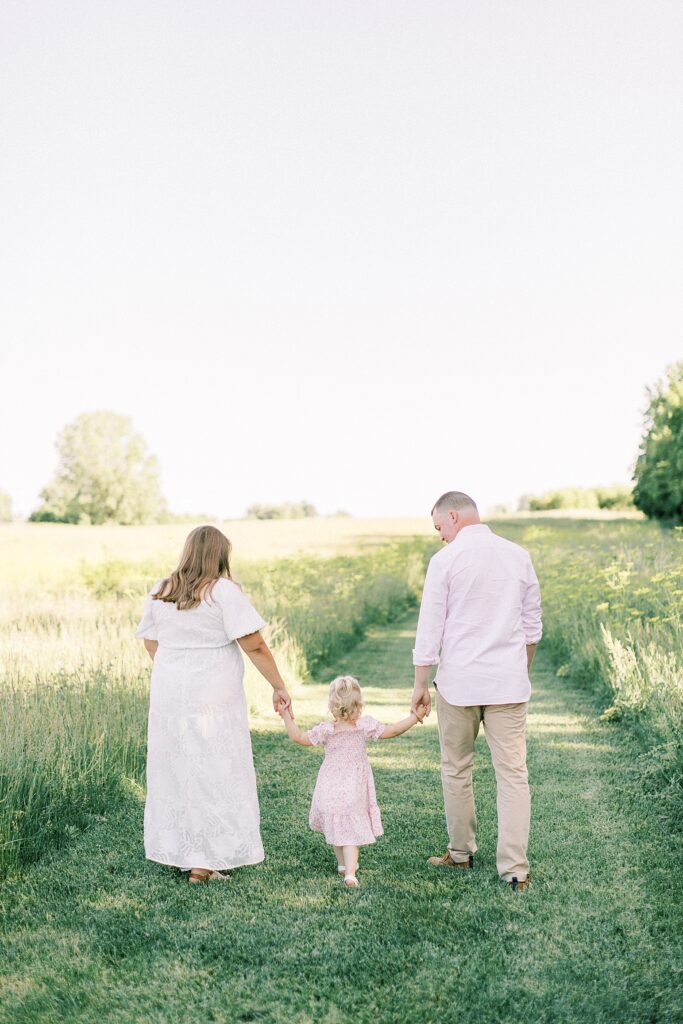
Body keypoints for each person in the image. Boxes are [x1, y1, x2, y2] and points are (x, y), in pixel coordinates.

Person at [135, 524, 291, 884]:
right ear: (220, 555)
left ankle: (181, 851)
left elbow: (150, 643)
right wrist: (278, 685)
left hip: (170, 692)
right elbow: (254, 645)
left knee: (176, 768)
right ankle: (203, 862)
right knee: (215, 768)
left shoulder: (162, 589)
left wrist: (175, 671)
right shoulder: (222, 591)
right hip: (212, 693)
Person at [411, 491, 542, 892]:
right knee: (513, 774)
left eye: (439, 528)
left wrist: (420, 685)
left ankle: (461, 852)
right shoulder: (517, 555)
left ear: (453, 516)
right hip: (507, 683)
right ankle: (515, 869)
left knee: (456, 768)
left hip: (459, 684)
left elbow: (430, 627)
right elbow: (532, 624)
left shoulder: (445, 561)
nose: (439, 536)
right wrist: (519, 670)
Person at [278, 675, 426, 888]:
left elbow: (299, 738)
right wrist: (415, 717)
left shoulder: (327, 730)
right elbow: (393, 730)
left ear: (332, 706)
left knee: (337, 822)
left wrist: (286, 716)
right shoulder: (362, 727)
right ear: (358, 705)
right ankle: (349, 873)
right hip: (353, 786)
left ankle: (342, 864)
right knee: (349, 831)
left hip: (330, 785)